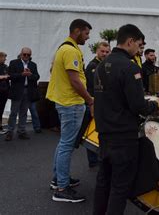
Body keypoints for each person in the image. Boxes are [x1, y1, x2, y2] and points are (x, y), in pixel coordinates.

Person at [92, 24, 159, 215]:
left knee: (103, 182)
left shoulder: (100, 65)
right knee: (120, 187)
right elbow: (138, 106)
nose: (139, 50)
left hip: (104, 133)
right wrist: (156, 105)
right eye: (139, 45)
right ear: (130, 41)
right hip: (123, 136)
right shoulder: (129, 66)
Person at [47, 19, 94, 203]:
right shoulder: (70, 50)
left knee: (63, 143)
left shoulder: (63, 48)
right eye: (86, 33)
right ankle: (62, 189)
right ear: (77, 31)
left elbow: (53, 70)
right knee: (67, 145)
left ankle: (58, 179)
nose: (88, 37)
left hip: (65, 102)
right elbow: (75, 80)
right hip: (71, 104)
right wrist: (89, 100)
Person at [84, 41, 110, 168]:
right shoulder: (92, 66)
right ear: (97, 51)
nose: (104, 54)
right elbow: (92, 88)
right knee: (92, 131)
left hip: (103, 104)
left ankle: (98, 158)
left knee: (99, 131)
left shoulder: (105, 65)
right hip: (94, 103)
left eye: (107, 52)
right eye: (102, 51)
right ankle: (93, 161)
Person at [5, 47, 40, 141]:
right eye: (24, 54)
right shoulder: (14, 62)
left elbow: (37, 76)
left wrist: (30, 75)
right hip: (17, 91)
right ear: (21, 54)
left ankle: (21, 131)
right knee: (13, 112)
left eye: (28, 55)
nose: (26, 56)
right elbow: (10, 76)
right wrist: (22, 74)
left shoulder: (33, 65)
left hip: (28, 91)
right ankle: (10, 132)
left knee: (23, 113)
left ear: (30, 56)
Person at [0, 52, 10, 134]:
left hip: (4, 91)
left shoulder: (5, 66)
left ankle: (0, 127)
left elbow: (9, 75)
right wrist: (3, 76)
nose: (5, 59)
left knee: (1, 109)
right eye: (4, 57)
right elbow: (5, 76)